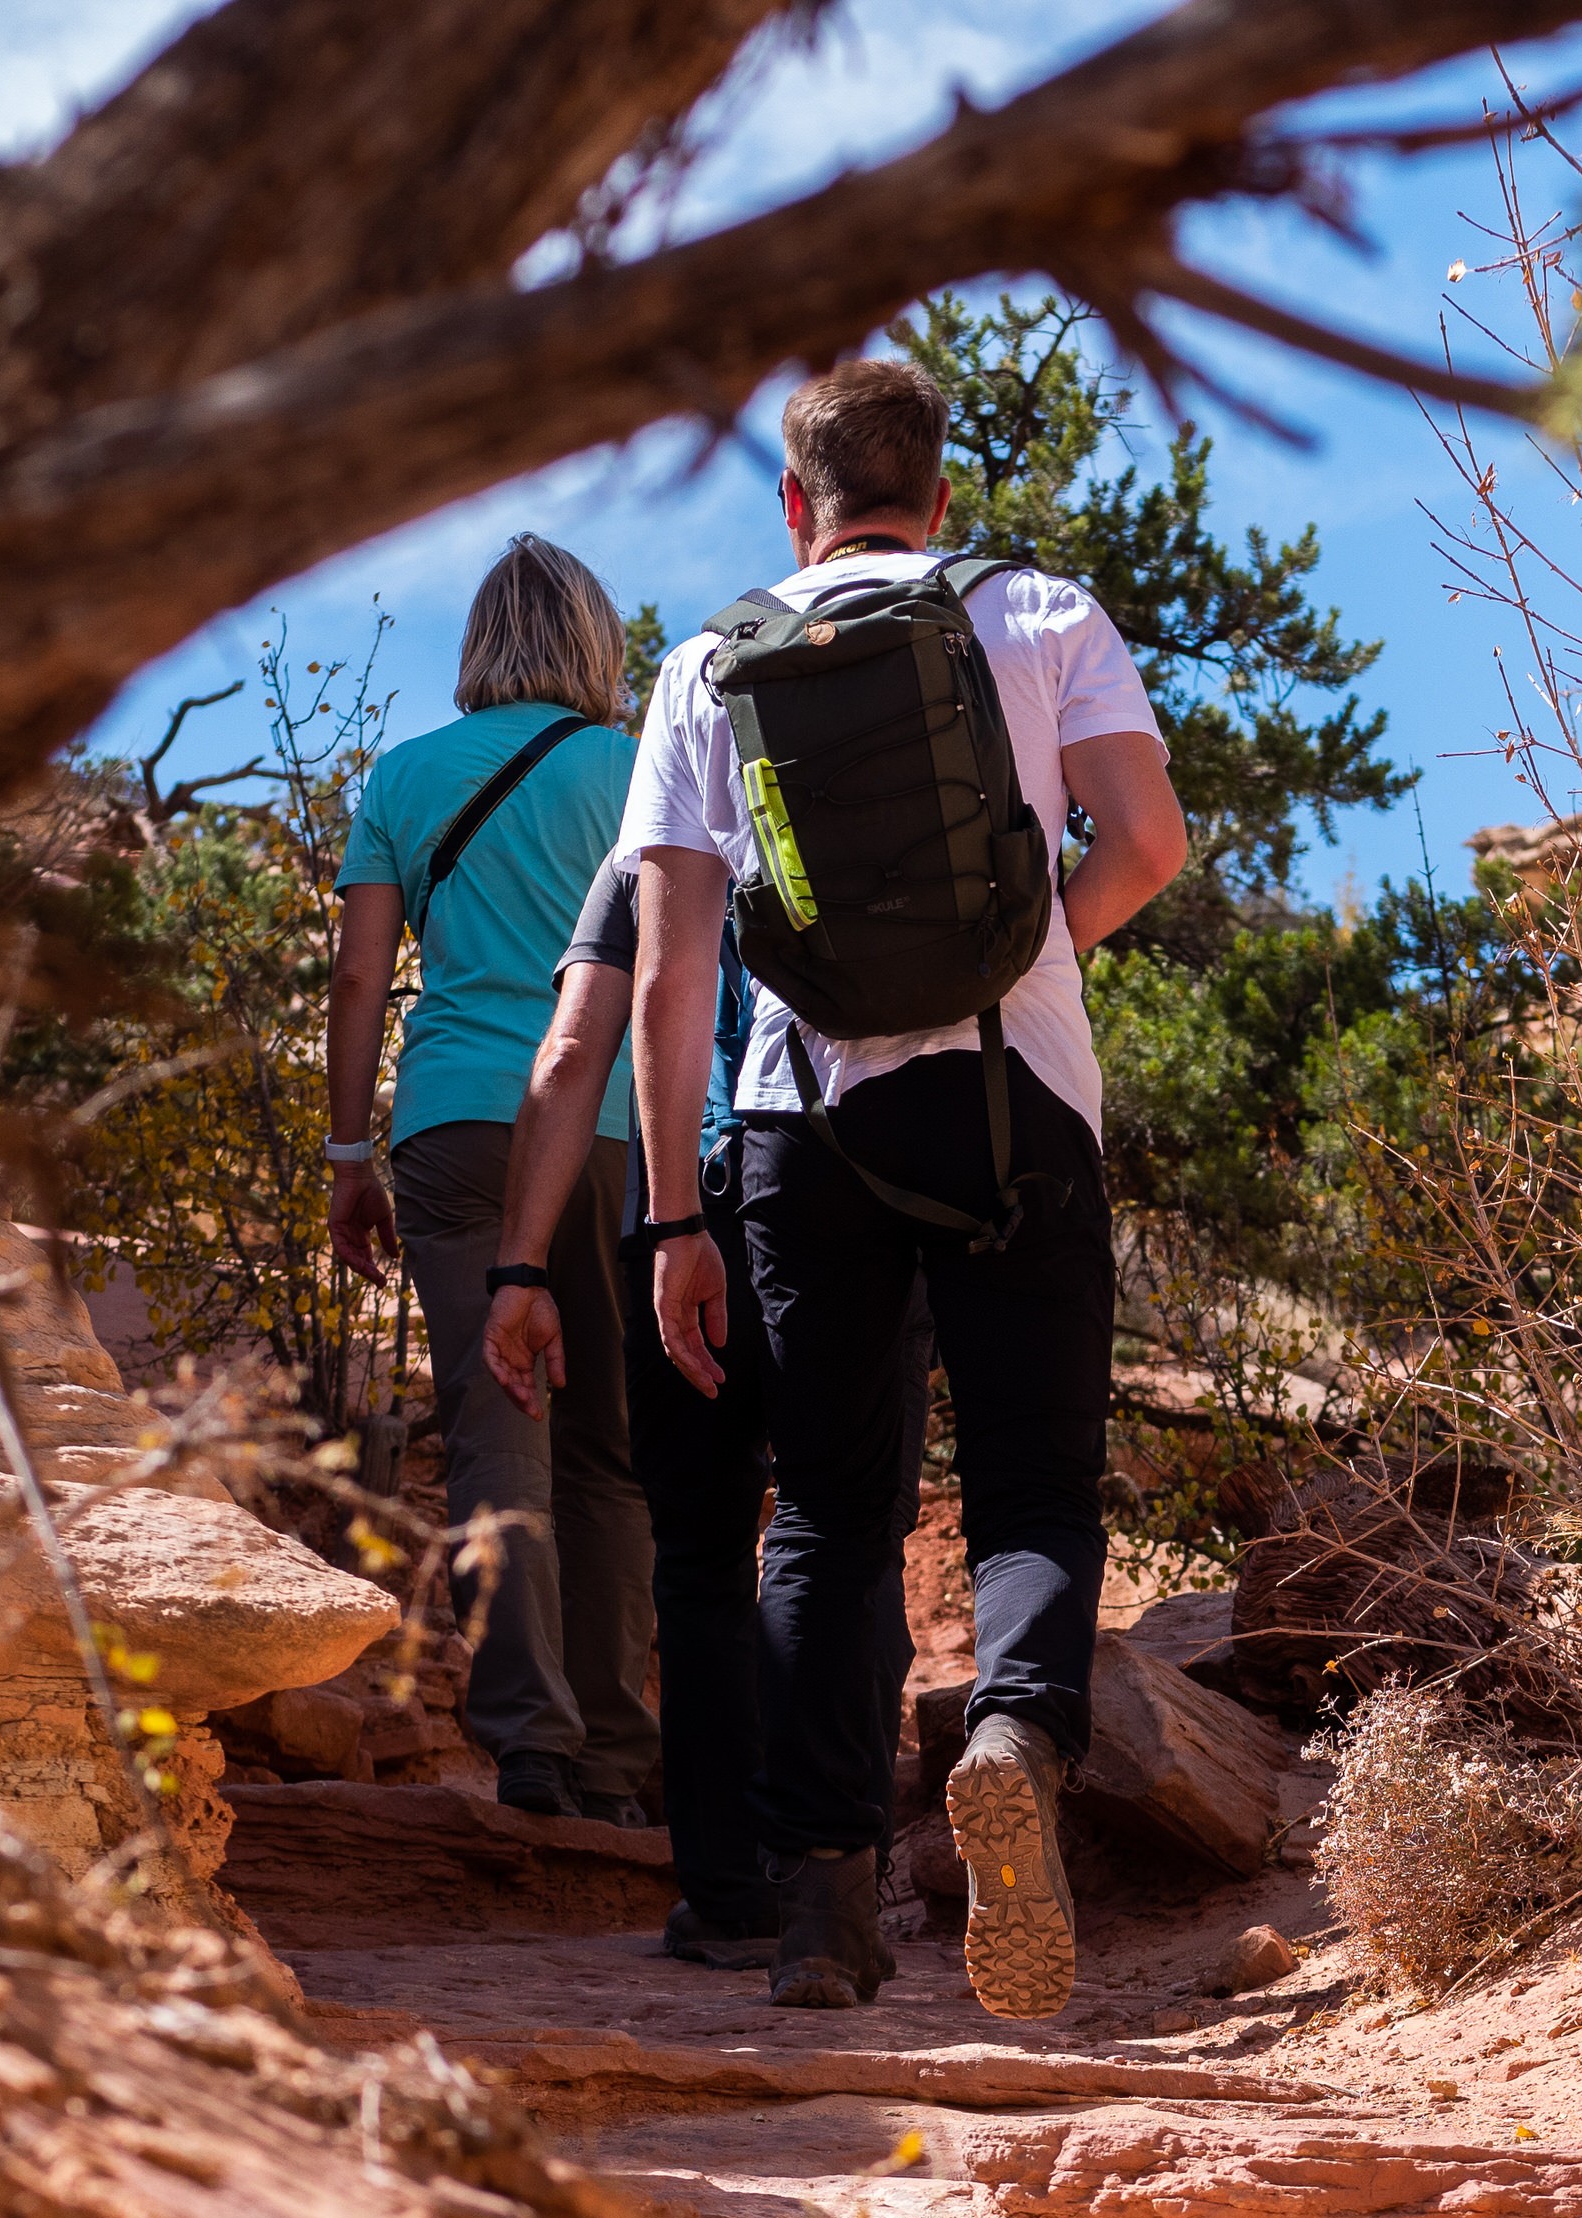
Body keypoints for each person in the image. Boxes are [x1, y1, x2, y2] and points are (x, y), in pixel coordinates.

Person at [486, 356, 1187, 2015]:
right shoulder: (1041, 614)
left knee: (826, 1513)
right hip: (1018, 1098)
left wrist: (670, 1218)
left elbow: (667, 980)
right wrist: (1030, 961)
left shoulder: (710, 661)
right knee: (1027, 1489)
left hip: (804, 1130)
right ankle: (1012, 1729)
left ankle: (822, 1907)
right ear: (938, 497)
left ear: (796, 508)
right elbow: (1147, 846)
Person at [493, 860, 932, 1969]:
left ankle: (729, 1891)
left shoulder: (646, 855)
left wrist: (520, 1264)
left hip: (683, 1221)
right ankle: (834, 1879)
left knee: (697, 1562)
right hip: (860, 1214)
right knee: (851, 1531)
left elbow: (570, 1052)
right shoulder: (874, 811)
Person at [324, 534, 660, 1823]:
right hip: (614, 1134)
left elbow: (360, 977)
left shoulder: (405, 776)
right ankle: (624, 1759)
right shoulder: (635, 773)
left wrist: (349, 1151)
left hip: (455, 1128)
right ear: (594, 639)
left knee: (493, 1425)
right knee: (609, 1455)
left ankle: (530, 1744)